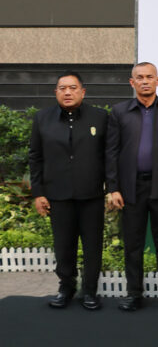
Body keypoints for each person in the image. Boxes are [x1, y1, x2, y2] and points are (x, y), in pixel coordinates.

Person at [28, 72, 109, 310]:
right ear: (56, 92)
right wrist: (38, 193)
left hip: (92, 194)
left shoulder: (100, 117)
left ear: (82, 92)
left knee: (93, 245)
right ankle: (66, 287)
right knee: (63, 245)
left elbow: (110, 155)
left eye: (73, 88)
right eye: (62, 88)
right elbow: (35, 157)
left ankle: (90, 291)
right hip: (58, 194)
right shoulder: (42, 118)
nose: (67, 92)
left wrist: (111, 188)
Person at [107, 62, 158, 312]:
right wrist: (114, 188)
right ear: (132, 82)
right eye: (139, 77)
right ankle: (134, 294)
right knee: (133, 245)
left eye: (150, 77)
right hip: (131, 189)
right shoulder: (119, 111)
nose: (145, 81)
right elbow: (111, 152)